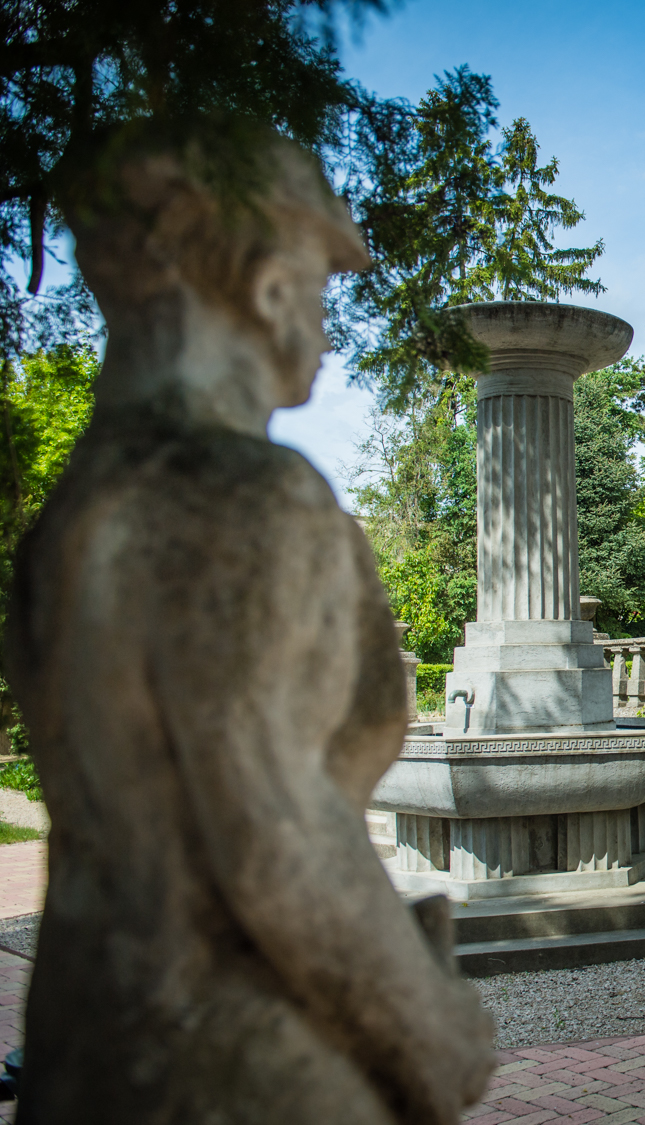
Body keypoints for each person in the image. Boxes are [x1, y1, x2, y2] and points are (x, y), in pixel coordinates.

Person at [7, 136, 495, 1123]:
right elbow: (275, 834)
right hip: (244, 1059)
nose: (325, 325)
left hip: (88, 1041)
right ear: (272, 293)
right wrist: (434, 1028)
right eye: (320, 289)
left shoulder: (67, 519)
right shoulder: (246, 498)